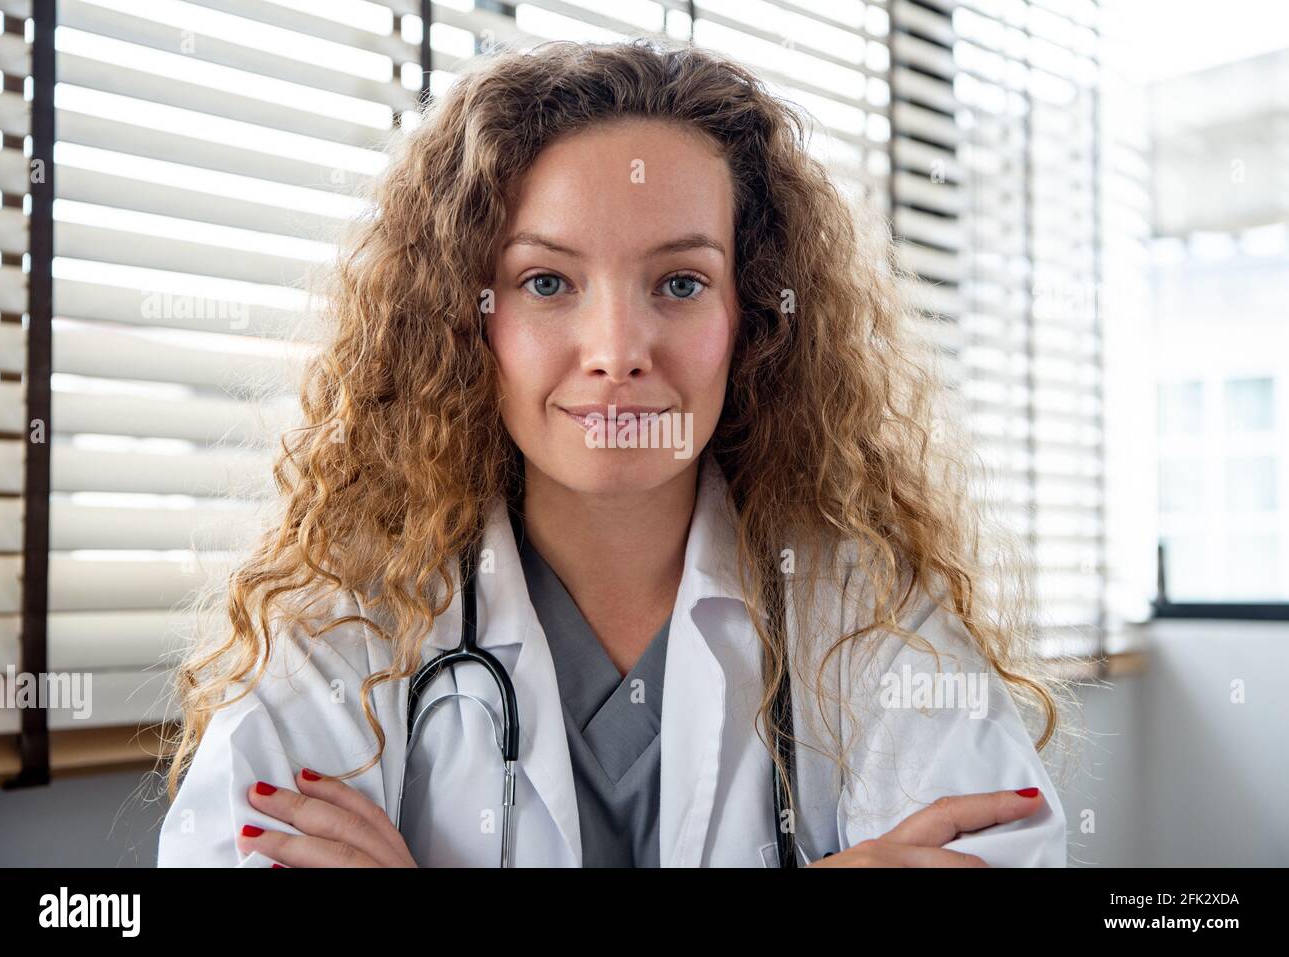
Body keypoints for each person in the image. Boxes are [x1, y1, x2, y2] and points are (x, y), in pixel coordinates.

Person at [156, 38, 1070, 868]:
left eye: (680, 282)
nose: (618, 348)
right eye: (547, 282)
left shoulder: (864, 607)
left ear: (750, 314)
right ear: (467, 320)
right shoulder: (346, 615)